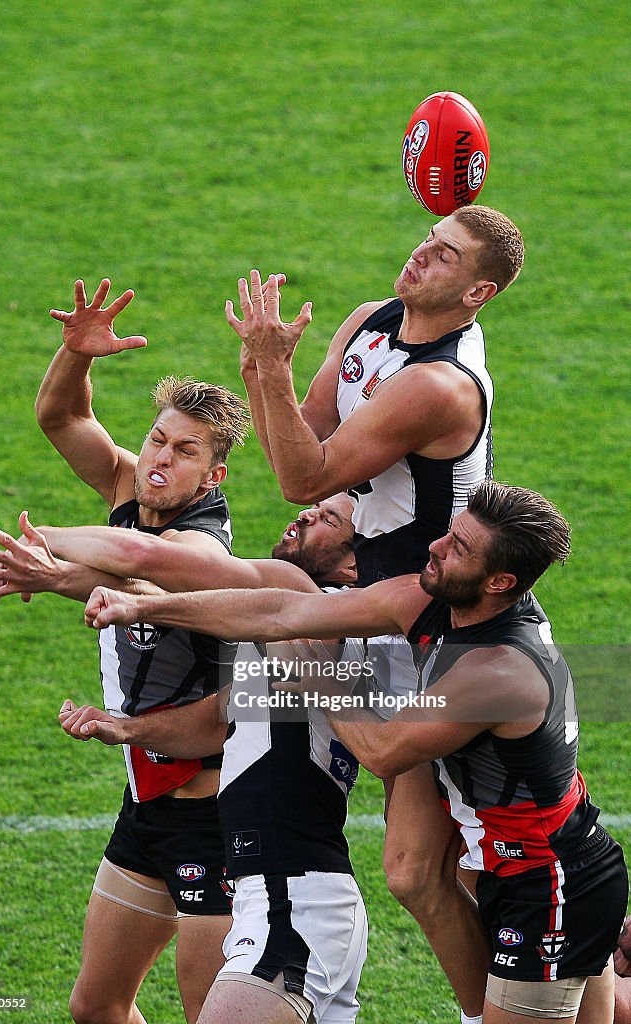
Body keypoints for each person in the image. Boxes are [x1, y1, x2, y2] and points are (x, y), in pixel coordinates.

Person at [81, 481, 628, 1024]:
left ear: (500, 582)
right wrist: (143, 606)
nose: (435, 548)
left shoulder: (500, 671)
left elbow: (384, 750)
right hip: (525, 871)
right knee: (414, 882)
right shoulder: (428, 600)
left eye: (458, 548)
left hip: (551, 880)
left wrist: (317, 673)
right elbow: (284, 614)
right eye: (449, 533)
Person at [227, 205, 525, 1021]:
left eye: (445, 256)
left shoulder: (436, 384)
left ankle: (570, 980)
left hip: (444, 621)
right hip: (392, 611)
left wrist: (268, 372)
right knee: (412, 874)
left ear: (478, 292)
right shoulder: (368, 323)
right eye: (427, 241)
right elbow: (305, 440)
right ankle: (487, 1011)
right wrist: (266, 373)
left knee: (500, 856)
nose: (421, 255)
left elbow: (303, 477)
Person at [0, 496, 370, 1024]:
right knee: (95, 1006)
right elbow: (218, 714)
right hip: (274, 883)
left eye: (328, 521)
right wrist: (125, 729)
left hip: (290, 893)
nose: (303, 514)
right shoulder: (293, 629)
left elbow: (151, 563)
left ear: (350, 567)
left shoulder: (303, 601)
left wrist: (43, 539)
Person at [0, 277, 251, 1024]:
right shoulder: (136, 490)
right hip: (146, 804)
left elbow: (134, 561)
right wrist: (75, 355)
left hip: (214, 816)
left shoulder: (201, 545)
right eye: (157, 439)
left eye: (184, 451)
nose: (159, 459)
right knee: (96, 1007)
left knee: (209, 1013)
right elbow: (61, 415)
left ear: (213, 476)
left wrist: (41, 553)